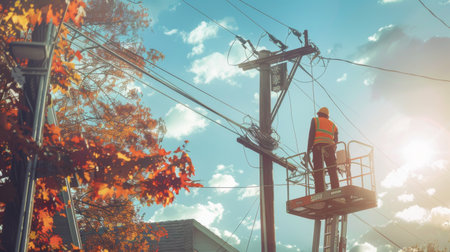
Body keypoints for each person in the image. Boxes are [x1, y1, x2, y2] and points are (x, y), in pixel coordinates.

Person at [304, 107, 339, 193]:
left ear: (319, 114)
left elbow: (311, 136)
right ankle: (336, 189)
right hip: (330, 148)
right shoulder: (334, 126)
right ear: (327, 116)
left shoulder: (315, 120)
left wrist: (308, 151)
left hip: (318, 148)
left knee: (318, 170)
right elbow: (336, 142)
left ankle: (319, 191)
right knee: (332, 170)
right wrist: (332, 152)